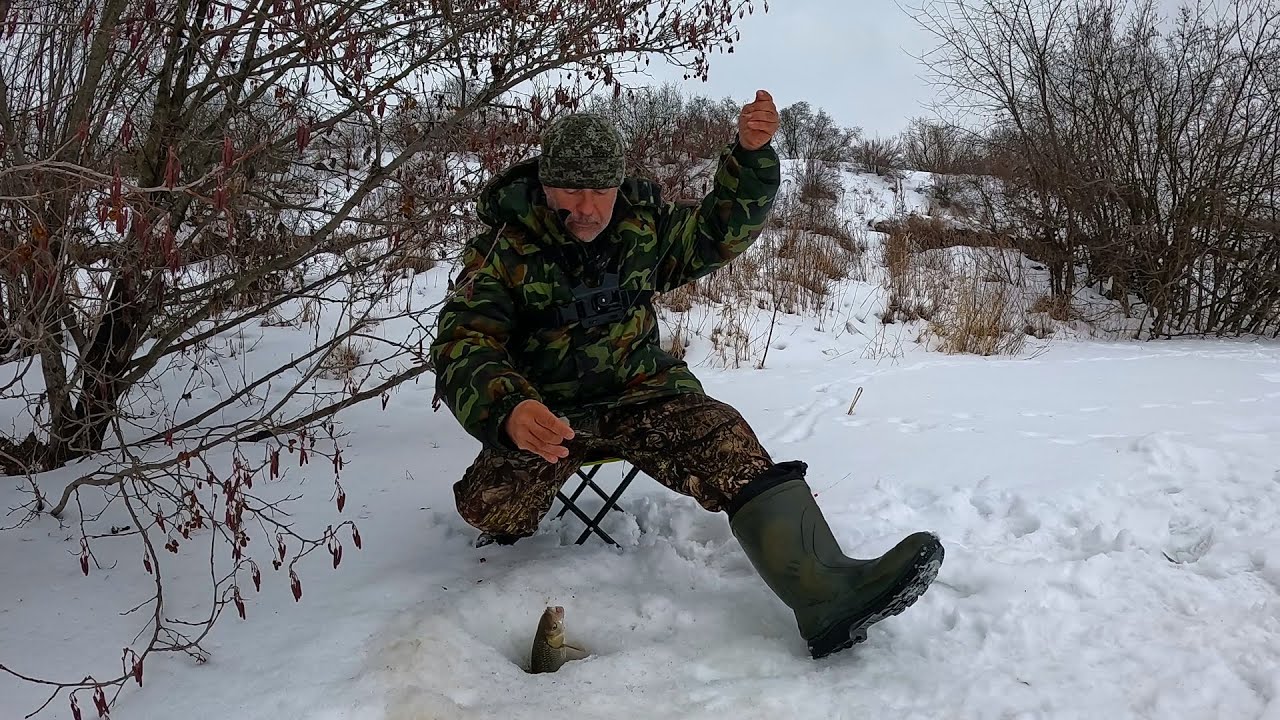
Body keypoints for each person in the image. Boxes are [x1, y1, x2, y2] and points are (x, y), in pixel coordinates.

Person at [429, 90, 943, 659]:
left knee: (724, 435)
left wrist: (749, 157)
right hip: (546, 416)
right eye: (572, 189)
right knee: (491, 506)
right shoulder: (501, 251)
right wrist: (509, 410)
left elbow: (716, 231)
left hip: (639, 394)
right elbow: (462, 343)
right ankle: (505, 512)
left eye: (601, 190)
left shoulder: (639, 228)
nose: (588, 207)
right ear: (545, 184)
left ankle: (824, 591)